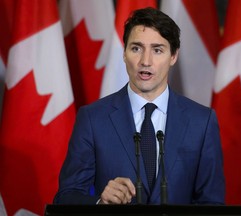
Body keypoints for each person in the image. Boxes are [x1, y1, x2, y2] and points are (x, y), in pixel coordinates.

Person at [53, 7, 225, 205]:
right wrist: (100, 203)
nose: (145, 61)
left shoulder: (201, 122)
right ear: (124, 53)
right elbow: (65, 198)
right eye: (136, 48)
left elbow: (212, 204)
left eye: (157, 50)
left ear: (173, 56)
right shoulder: (92, 119)